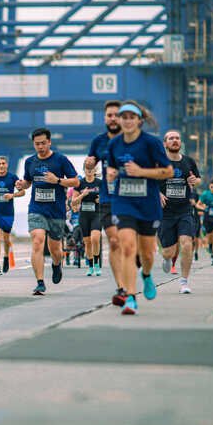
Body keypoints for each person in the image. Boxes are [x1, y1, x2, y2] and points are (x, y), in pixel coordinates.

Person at [106, 101, 172, 315]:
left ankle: (146, 274)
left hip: (147, 203)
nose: (127, 121)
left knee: (147, 254)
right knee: (126, 247)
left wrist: (141, 171)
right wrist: (111, 174)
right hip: (123, 201)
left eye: (131, 117)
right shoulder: (114, 145)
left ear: (139, 121)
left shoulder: (151, 143)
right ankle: (130, 297)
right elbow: (112, 167)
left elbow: (168, 171)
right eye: (123, 117)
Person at [16, 128, 79, 295]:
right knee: (37, 241)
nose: (40, 147)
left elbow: (75, 182)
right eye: (37, 144)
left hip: (56, 211)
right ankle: (40, 282)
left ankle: (57, 264)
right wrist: (22, 185)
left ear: (49, 142)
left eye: (43, 143)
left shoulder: (60, 160)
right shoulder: (30, 161)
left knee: (55, 249)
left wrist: (57, 180)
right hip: (36, 208)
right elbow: (28, 182)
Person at [85, 100, 126, 304]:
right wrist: (89, 163)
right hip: (108, 198)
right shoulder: (98, 141)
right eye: (109, 115)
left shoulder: (134, 140)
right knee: (114, 241)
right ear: (105, 118)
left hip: (131, 198)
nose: (113, 118)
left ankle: (142, 273)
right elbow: (90, 162)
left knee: (131, 245)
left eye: (117, 115)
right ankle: (121, 288)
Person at [158, 130, 201, 294]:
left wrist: (195, 181)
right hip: (165, 212)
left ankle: (184, 282)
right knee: (168, 251)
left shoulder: (189, 161)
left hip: (184, 210)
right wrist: (157, 193)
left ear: (180, 142)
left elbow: (198, 179)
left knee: (187, 244)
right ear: (165, 143)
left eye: (177, 138)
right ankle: (166, 258)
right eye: (171, 138)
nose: (175, 140)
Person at [0, 155, 23, 275]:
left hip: (8, 212)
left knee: (6, 239)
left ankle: (6, 256)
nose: (1, 165)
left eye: (3, 163)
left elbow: (22, 192)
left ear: (7, 165)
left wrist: (12, 195)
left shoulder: (12, 177)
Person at [69, 166, 102, 276]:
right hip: (84, 216)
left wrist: (101, 199)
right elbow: (73, 202)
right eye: (87, 168)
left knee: (95, 238)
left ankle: (97, 264)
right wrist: (82, 195)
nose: (89, 170)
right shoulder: (80, 183)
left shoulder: (100, 183)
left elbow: (108, 198)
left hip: (96, 214)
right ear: (84, 169)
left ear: (94, 170)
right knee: (87, 242)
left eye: (91, 168)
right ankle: (91, 266)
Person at [197, 179, 213, 265]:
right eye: (212, 187)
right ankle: (211, 246)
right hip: (208, 219)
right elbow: (198, 204)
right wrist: (203, 208)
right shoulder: (205, 194)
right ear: (209, 187)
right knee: (210, 238)